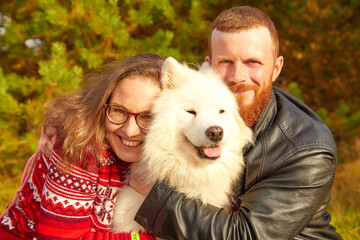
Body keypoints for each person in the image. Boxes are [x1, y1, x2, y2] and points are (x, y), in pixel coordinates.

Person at [130, 6, 343, 239]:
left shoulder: (306, 147)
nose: (237, 76)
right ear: (209, 66)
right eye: (226, 61)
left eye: (253, 62)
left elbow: (248, 235)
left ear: (276, 68)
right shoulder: (192, 104)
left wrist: (155, 195)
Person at [0, 53, 164, 240]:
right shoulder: (80, 148)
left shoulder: (171, 157)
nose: (129, 130)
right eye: (118, 111)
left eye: (147, 117)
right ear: (102, 105)